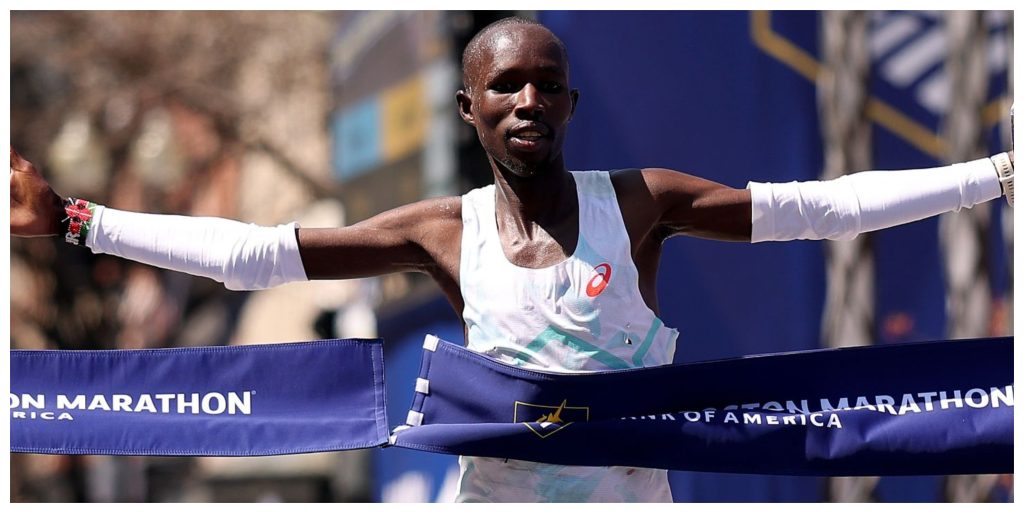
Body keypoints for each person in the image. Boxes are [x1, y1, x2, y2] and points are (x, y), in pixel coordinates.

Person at [10, 16, 1014, 503]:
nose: (527, 101)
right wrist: (78, 222)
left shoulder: (639, 204)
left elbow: (819, 212)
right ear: (468, 110)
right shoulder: (442, 230)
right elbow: (259, 258)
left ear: (571, 105)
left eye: (546, 85)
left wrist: (993, 177)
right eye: (504, 88)